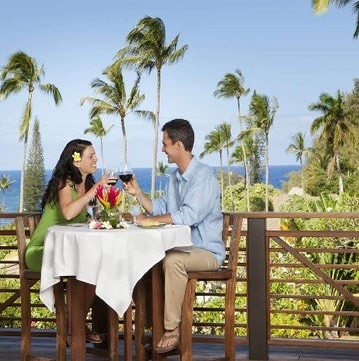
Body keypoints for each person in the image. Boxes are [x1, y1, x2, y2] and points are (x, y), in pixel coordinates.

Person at [124, 118, 225, 353]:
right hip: (184, 248)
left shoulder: (203, 176)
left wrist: (150, 221)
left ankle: (171, 329)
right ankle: (151, 324)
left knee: (172, 261)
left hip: (207, 252)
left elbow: (189, 215)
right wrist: (138, 193)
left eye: (165, 144)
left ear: (178, 146)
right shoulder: (174, 177)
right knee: (147, 258)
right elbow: (160, 208)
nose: (162, 149)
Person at [25, 138, 114, 344]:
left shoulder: (88, 184)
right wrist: (95, 190)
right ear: (76, 161)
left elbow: (90, 219)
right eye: (90, 155)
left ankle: (75, 327)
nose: (95, 159)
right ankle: (76, 329)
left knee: (95, 268)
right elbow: (67, 213)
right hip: (42, 251)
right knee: (84, 267)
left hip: (68, 251)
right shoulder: (65, 181)